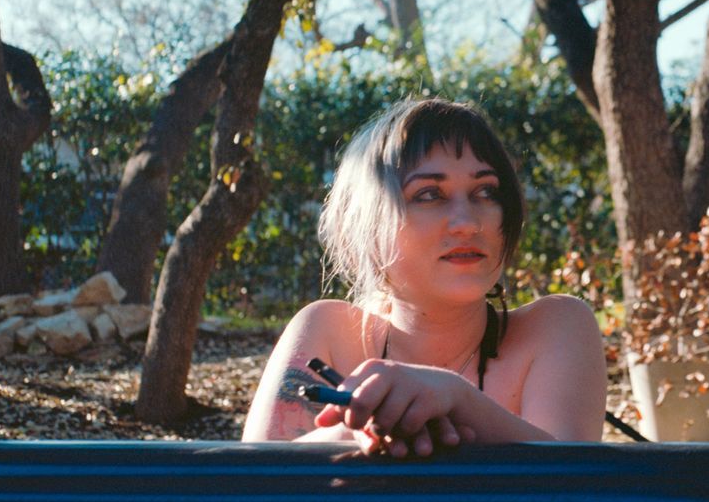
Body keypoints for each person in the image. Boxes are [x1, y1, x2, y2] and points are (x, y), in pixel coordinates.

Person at [242, 96, 608, 452]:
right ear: (366, 223)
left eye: (485, 191)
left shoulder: (557, 326)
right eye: (429, 194)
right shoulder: (328, 331)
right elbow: (251, 478)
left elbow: (571, 481)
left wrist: (457, 399)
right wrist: (359, 428)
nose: (468, 223)